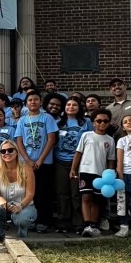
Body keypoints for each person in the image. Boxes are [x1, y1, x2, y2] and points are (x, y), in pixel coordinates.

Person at [14, 90, 58, 231]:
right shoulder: (22, 120)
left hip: (44, 163)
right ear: (26, 103)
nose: (33, 102)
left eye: (36, 99)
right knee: (27, 192)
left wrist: (39, 160)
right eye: (30, 100)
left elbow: (51, 139)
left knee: (43, 192)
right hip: (25, 163)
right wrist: (27, 160)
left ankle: (44, 221)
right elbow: (19, 141)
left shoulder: (47, 118)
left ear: (40, 102)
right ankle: (28, 220)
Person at [70, 112, 116, 237]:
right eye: (99, 120)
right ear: (93, 122)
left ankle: (94, 224)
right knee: (86, 197)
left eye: (105, 121)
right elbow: (78, 153)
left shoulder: (110, 140)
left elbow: (111, 159)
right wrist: (73, 169)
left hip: (101, 173)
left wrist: (111, 174)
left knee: (97, 199)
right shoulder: (86, 135)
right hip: (85, 171)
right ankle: (87, 225)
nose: (102, 123)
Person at [0, 143, 37, 242]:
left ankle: (22, 234)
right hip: (4, 206)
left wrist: (20, 206)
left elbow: (30, 194)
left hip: (23, 206)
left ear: (16, 152)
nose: (6, 153)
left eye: (10, 150)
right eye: (3, 151)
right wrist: (0, 199)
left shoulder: (27, 169)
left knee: (22, 218)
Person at [54, 98, 91, 233]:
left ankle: (78, 223)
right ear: (64, 108)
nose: (71, 107)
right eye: (68, 105)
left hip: (79, 162)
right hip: (60, 161)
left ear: (79, 107)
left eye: (74, 105)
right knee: (62, 193)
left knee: (76, 193)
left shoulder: (86, 123)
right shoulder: (58, 123)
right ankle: (63, 222)